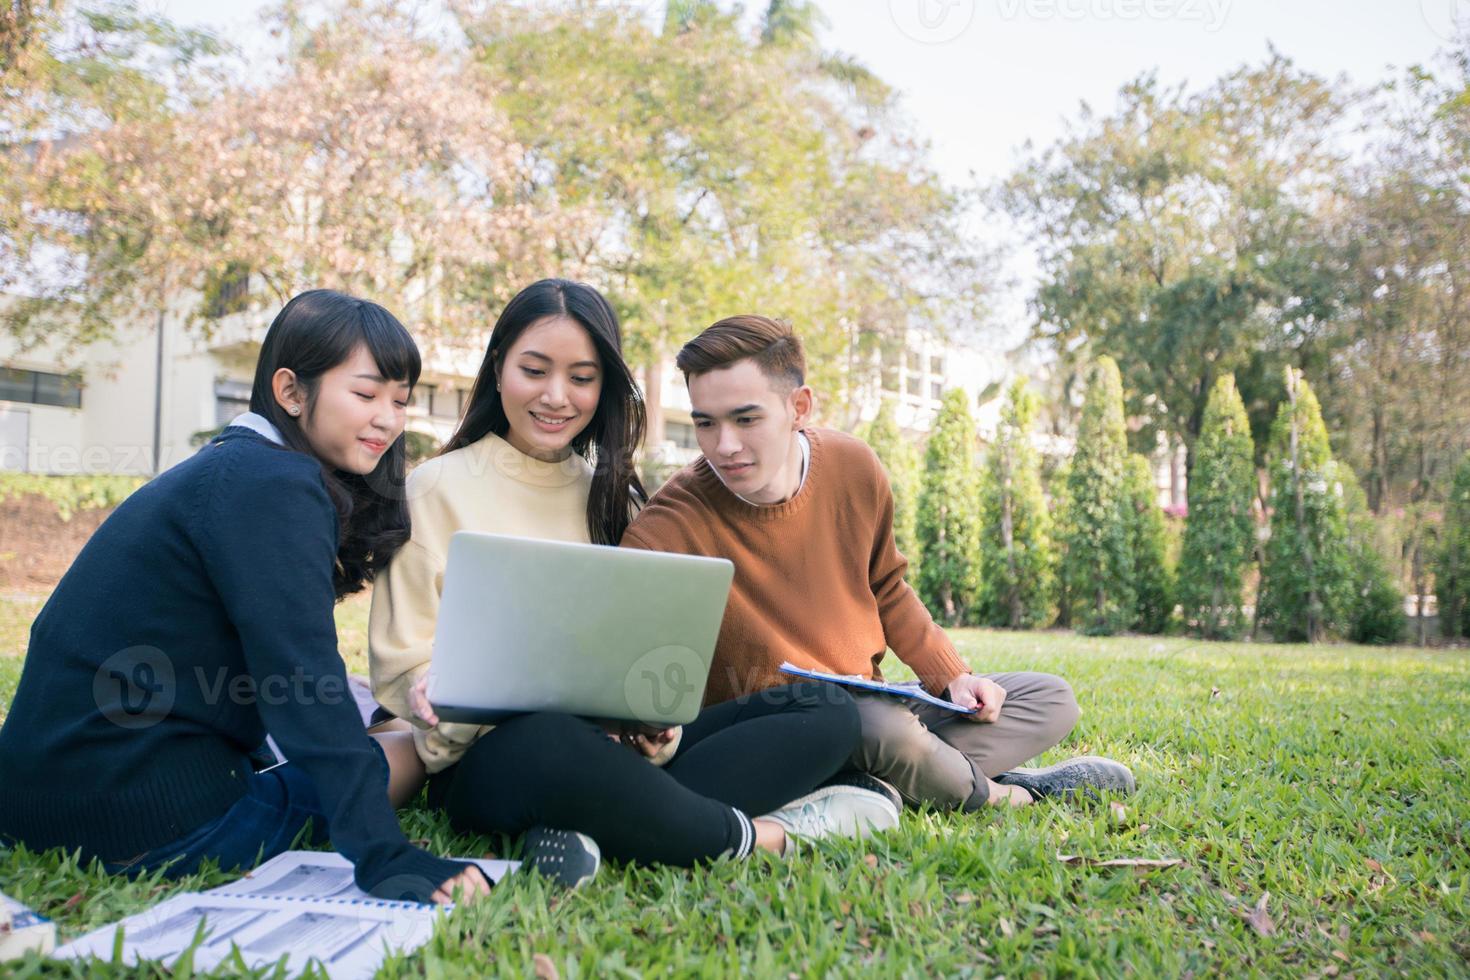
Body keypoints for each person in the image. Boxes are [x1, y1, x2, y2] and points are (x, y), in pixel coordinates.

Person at [369, 279, 899, 868]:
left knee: (824, 710)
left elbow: (636, 658)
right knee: (550, 738)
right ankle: (765, 837)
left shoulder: (610, 497)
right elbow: (401, 665)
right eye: (534, 370)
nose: (555, 396)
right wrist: (433, 691)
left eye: (581, 377)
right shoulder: (434, 488)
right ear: (498, 371)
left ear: (605, 389)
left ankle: (607, 824)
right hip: (496, 758)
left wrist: (655, 726)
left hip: (613, 751)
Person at [0, 290, 488, 903]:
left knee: (370, 716)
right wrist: (385, 855)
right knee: (411, 746)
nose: (388, 420)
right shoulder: (276, 484)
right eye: (365, 395)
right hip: (141, 817)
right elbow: (301, 676)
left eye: (399, 400)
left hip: (32, 799)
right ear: (290, 391)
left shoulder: (231, 467)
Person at [621, 314, 1136, 813]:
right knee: (874, 728)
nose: (724, 446)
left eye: (746, 418)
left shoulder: (853, 466)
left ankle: (879, 783)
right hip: (782, 728)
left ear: (799, 406)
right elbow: (623, 642)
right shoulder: (669, 523)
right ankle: (1006, 794)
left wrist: (953, 676)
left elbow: (886, 587)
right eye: (706, 423)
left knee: (1050, 699)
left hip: (880, 701)